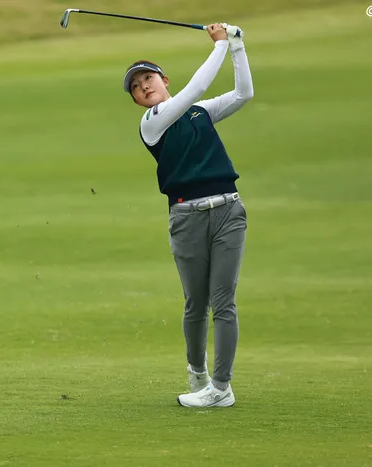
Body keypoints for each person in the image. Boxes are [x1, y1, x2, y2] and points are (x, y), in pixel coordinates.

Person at [123, 23, 253, 407]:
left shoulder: (201, 112)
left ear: (164, 80)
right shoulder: (152, 123)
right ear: (137, 100)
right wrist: (219, 45)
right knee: (197, 303)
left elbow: (244, 93)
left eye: (148, 79)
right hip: (187, 217)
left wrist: (237, 47)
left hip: (228, 210)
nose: (144, 86)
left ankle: (221, 387)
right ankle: (198, 373)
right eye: (136, 87)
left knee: (223, 301)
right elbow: (194, 89)